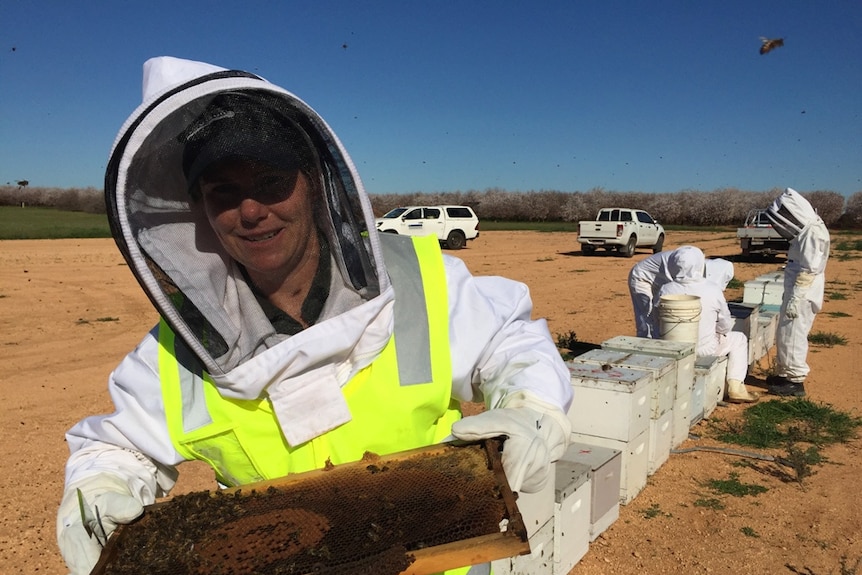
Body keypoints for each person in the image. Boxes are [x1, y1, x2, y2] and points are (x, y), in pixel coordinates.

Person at [56, 56, 573, 575]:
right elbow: (119, 447)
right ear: (201, 211)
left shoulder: (418, 281)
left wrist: (532, 404)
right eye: (224, 193)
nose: (252, 210)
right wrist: (98, 485)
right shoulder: (180, 350)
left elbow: (509, 342)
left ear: (314, 181)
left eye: (271, 180)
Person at [657, 246, 759, 403]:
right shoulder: (713, 289)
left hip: (671, 349)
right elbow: (725, 325)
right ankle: (736, 387)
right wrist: (716, 330)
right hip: (705, 350)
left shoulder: (666, 288)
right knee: (738, 339)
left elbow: (656, 318)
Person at [763, 188, 830, 397]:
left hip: (802, 294)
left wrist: (795, 297)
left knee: (793, 336)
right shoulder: (806, 232)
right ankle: (784, 373)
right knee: (785, 334)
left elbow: (809, 270)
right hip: (797, 292)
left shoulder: (812, 233)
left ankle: (795, 381)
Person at [628, 246, 700, 338]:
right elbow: (677, 286)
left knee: (658, 315)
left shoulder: (688, 262)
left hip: (657, 278)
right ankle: (645, 341)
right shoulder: (677, 263)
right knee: (648, 313)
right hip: (640, 277)